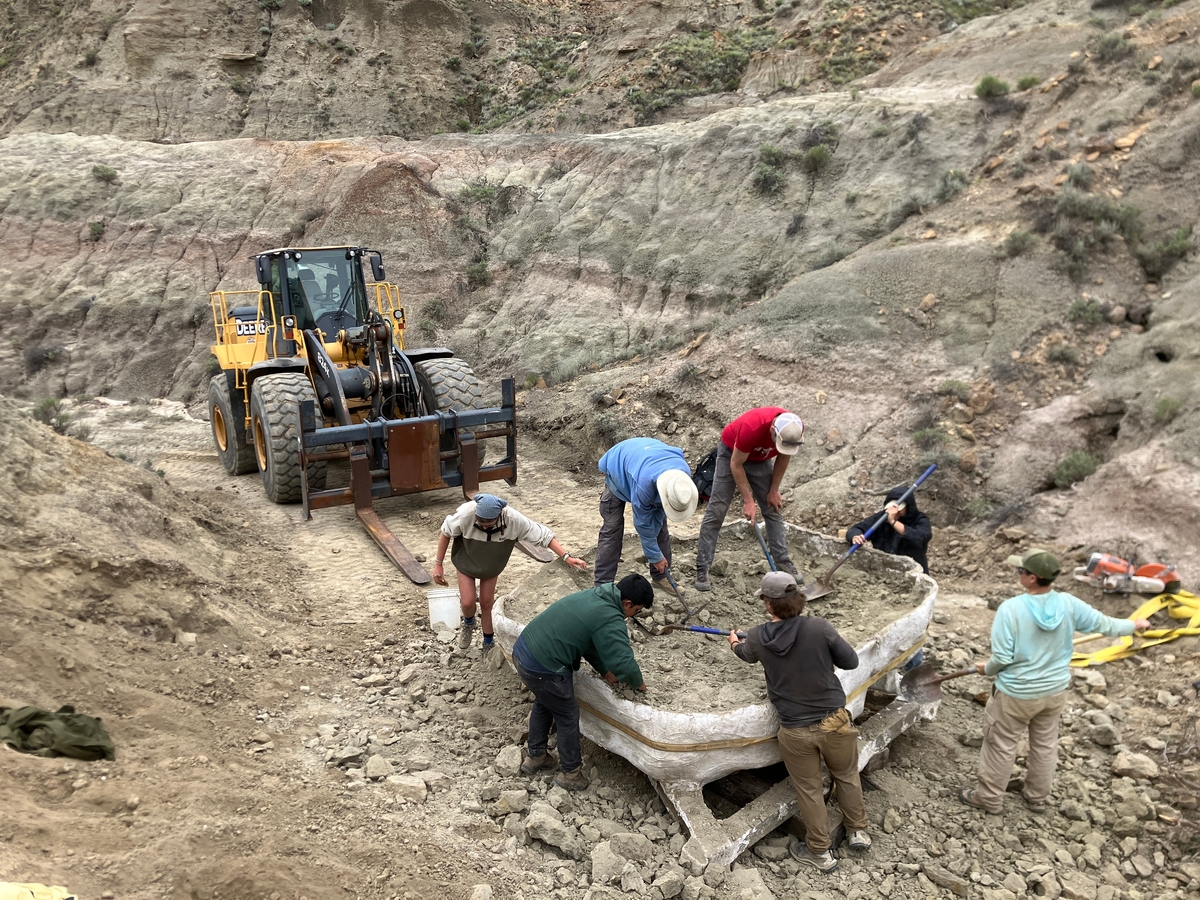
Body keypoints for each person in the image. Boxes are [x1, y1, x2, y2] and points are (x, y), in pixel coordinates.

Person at [958, 549, 1150, 815]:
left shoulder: (1011, 609)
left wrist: (987, 669)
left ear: (1032, 578)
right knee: (1045, 745)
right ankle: (1037, 797)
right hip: (1054, 692)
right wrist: (1134, 624)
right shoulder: (1068, 604)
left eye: (1021, 571)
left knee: (1001, 744)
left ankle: (989, 798)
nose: (1019, 574)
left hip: (1017, 694)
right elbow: (1106, 625)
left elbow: (1001, 658)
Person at [729, 572, 871, 874]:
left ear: (768, 605)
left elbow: (745, 654)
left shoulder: (757, 636)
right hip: (835, 721)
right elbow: (851, 662)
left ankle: (819, 852)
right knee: (847, 775)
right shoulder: (819, 627)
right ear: (799, 599)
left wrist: (734, 642)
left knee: (809, 789)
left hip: (795, 729)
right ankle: (858, 831)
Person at [512, 574, 654, 791]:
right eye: (637, 611)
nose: (634, 615)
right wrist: (639, 683)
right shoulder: (610, 616)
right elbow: (623, 662)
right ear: (627, 603)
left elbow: (588, 641)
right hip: (544, 667)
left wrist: (605, 671)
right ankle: (570, 773)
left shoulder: (596, 596)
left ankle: (536, 757)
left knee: (545, 700)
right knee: (567, 714)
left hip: (524, 652)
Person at [433, 493, 588, 652]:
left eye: (489, 524)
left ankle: (488, 643)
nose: (484, 527)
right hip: (466, 560)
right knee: (467, 602)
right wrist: (438, 564)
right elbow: (445, 532)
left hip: (491, 565)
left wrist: (566, 556)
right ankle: (469, 622)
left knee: (487, 603)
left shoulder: (513, 520)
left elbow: (544, 535)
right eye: (480, 523)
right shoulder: (466, 514)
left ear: (500, 515)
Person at [695, 408, 804, 591]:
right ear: (773, 430)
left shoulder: (794, 429)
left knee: (772, 507)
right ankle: (702, 567)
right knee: (717, 510)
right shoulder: (752, 427)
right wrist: (748, 500)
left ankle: (782, 560)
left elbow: (784, 458)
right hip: (732, 454)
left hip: (760, 459)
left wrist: (774, 490)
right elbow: (736, 464)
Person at [595, 438, 698, 594]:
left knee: (660, 526)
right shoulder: (644, 485)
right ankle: (603, 586)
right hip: (619, 467)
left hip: (644, 461)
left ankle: (660, 577)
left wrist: (654, 551)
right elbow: (642, 524)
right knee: (612, 529)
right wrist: (655, 555)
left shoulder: (682, 478)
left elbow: (658, 514)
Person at [845, 485, 933, 575]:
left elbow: (920, 538)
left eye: (899, 509)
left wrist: (893, 522)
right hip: (883, 570)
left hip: (912, 572)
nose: (895, 512)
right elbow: (857, 528)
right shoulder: (881, 518)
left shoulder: (920, 519)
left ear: (908, 506)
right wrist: (855, 536)